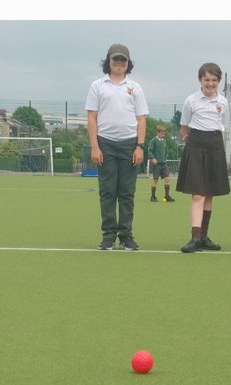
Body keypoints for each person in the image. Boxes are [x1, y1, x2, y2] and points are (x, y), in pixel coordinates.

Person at [85, 43, 148, 250]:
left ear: (128, 63)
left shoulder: (135, 87)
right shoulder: (98, 86)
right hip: (105, 144)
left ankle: (126, 236)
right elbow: (92, 118)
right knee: (107, 192)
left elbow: (141, 120)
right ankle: (108, 236)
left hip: (129, 144)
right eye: (115, 59)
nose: (119, 63)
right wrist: (95, 147)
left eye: (123, 60)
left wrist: (139, 146)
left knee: (127, 192)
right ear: (109, 61)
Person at [177, 63, 231, 253]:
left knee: (209, 194)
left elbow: (223, 126)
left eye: (214, 80)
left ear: (218, 81)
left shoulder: (223, 102)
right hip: (195, 145)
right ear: (200, 80)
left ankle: (204, 236)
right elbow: (184, 126)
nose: (210, 83)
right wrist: (190, 141)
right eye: (206, 79)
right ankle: (195, 237)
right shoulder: (191, 101)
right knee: (197, 194)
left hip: (215, 145)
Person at [146, 122, 173, 202]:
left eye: (164, 134)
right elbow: (149, 151)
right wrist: (153, 158)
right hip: (156, 164)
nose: (163, 135)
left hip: (163, 164)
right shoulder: (153, 141)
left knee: (167, 179)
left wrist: (165, 158)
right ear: (157, 132)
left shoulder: (164, 141)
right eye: (162, 133)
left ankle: (167, 196)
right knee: (155, 180)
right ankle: (153, 197)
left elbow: (166, 151)